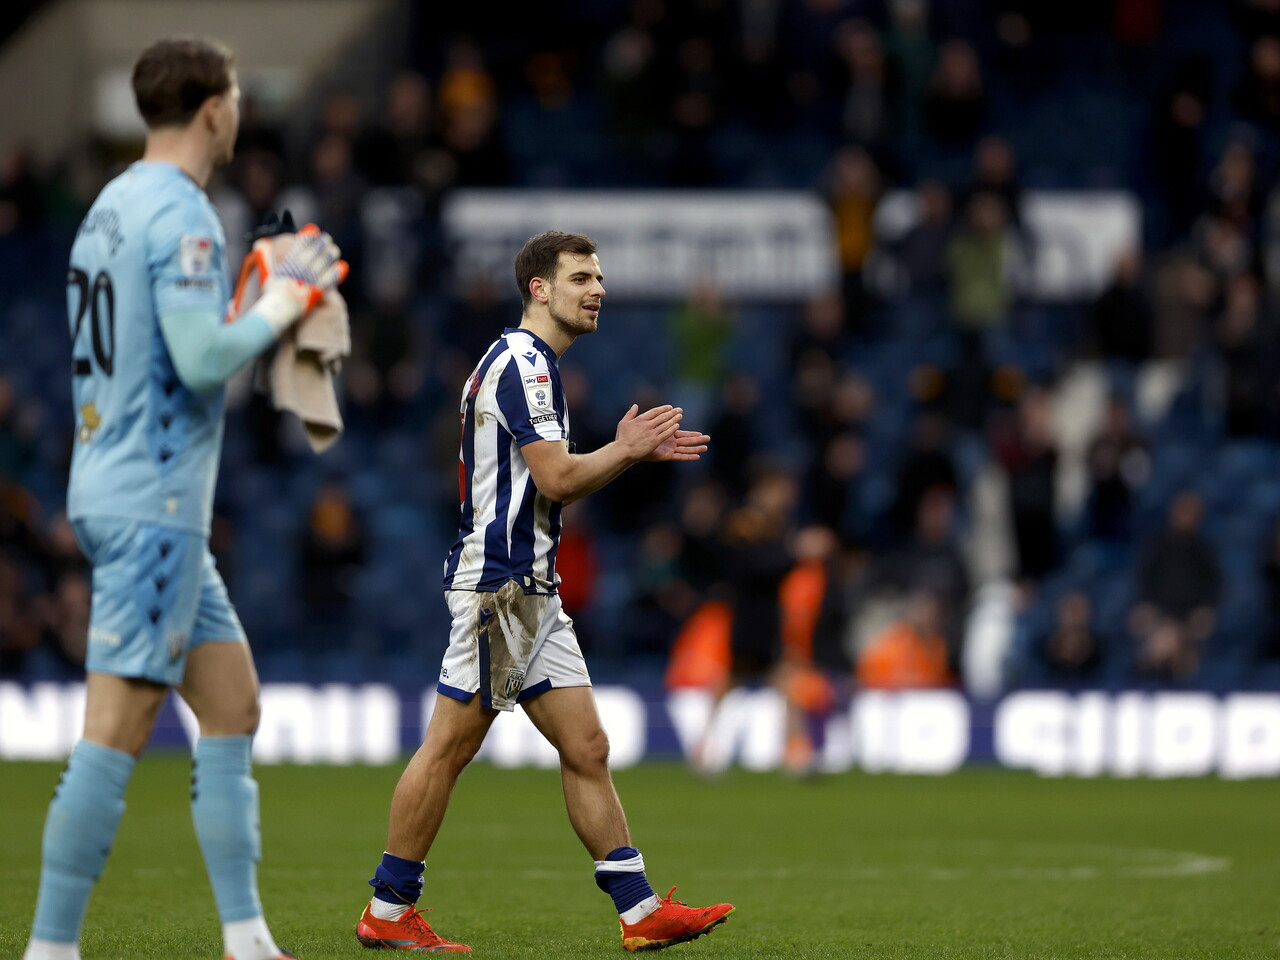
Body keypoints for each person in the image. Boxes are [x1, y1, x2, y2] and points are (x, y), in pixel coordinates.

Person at [23, 37, 346, 960]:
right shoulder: (187, 214)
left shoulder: (109, 206)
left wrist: (253, 305)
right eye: (236, 96)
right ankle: (50, 949)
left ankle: (246, 939)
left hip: (117, 484)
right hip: (156, 501)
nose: (238, 110)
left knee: (233, 703)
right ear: (214, 108)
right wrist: (285, 301)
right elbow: (203, 359)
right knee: (114, 734)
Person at [354, 232, 733, 953]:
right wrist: (623, 450)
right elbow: (557, 479)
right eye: (582, 276)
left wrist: (623, 453)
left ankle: (638, 909)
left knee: (587, 746)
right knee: (448, 749)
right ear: (539, 288)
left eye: (600, 277)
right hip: (501, 587)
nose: (598, 289)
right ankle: (389, 906)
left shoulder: (525, 363)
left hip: (531, 590)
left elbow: (549, 479)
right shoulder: (525, 366)